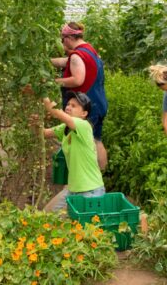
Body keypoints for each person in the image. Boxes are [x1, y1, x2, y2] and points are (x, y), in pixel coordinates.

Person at [51, 22, 108, 170]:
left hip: (86, 105)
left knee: (85, 144)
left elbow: (77, 79)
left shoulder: (77, 55)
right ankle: (100, 177)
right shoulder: (90, 50)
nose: (63, 44)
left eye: (62, 40)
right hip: (98, 102)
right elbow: (67, 62)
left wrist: (54, 82)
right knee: (96, 140)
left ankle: (89, 180)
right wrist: (47, 62)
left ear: (69, 38)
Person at [41, 92, 105, 212]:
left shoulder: (84, 126)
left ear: (84, 113)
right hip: (73, 189)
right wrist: (34, 123)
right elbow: (44, 133)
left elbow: (55, 112)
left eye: (74, 106)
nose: (68, 107)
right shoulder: (65, 128)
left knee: (80, 227)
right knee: (47, 214)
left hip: (90, 190)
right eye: (68, 104)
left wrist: (41, 92)